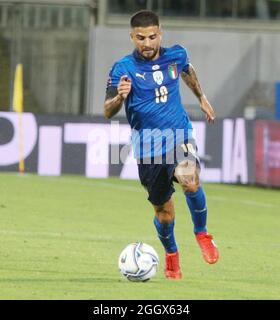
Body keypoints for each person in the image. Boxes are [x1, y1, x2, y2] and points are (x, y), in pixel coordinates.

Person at [103, 10, 219, 280]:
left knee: (189, 178)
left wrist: (201, 97)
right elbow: (107, 111)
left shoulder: (175, 55)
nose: (147, 43)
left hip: (178, 134)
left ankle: (202, 233)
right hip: (147, 147)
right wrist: (119, 98)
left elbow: (188, 71)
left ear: (160, 33)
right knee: (164, 212)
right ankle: (171, 253)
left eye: (152, 37)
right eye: (141, 38)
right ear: (132, 36)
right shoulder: (122, 68)